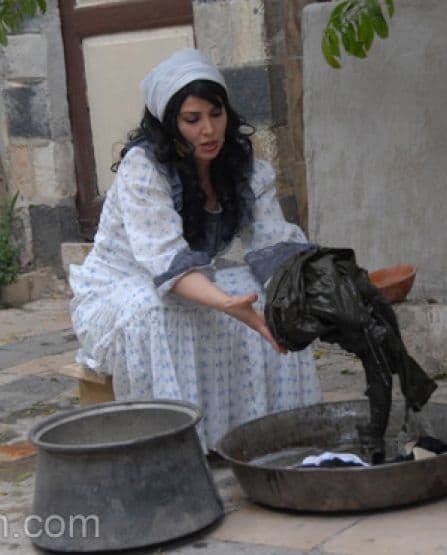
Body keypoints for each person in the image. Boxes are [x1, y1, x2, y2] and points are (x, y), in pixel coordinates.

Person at [69, 48, 322, 449]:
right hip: (119, 289)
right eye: (193, 119)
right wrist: (226, 304)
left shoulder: (242, 166)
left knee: (270, 300)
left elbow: (273, 243)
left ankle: (265, 436)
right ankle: (178, 445)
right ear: (170, 124)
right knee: (157, 311)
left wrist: (314, 288)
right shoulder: (144, 168)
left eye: (216, 114)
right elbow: (166, 261)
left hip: (188, 277)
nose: (208, 130)